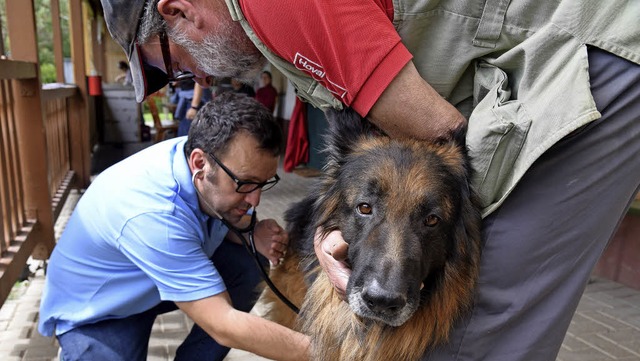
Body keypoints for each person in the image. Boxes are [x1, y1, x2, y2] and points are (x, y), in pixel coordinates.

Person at [100, 0, 640, 360]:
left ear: (177, 10)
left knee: (482, 302)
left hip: (597, 54)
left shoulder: (270, 5)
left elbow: (446, 137)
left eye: (172, 64)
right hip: (542, 57)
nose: (194, 77)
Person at [38, 92, 310, 361]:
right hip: (100, 309)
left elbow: (232, 218)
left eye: (263, 183)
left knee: (249, 261)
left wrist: (253, 233)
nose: (255, 200)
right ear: (199, 163)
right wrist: (326, 352)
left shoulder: (200, 155)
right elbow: (223, 324)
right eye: (246, 184)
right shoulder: (155, 214)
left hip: (148, 283)